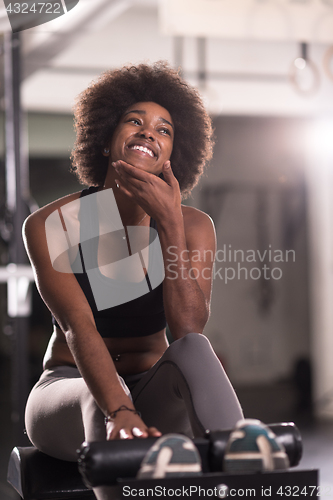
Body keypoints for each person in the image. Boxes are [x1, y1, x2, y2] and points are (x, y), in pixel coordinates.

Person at [23, 62, 243, 499]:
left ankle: (241, 463)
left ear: (172, 156)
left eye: (164, 130)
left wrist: (169, 225)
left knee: (197, 348)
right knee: (95, 398)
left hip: (152, 386)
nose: (148, 133)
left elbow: (186, 330)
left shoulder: (192, 226)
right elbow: (78, 327)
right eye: (135, 121)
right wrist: (119, 409)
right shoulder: (53, 224)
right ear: (106, 141)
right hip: (69, 391)